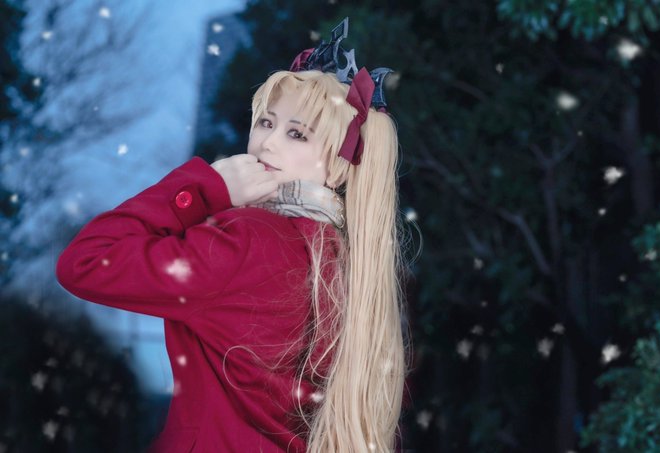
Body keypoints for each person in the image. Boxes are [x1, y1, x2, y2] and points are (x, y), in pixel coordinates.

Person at [56, 18, 409, 452]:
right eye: (265, 122)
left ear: (337, 169)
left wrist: (204, 190)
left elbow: (87, 261)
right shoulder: (356, 269)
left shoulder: (245, 240)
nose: (267, 143)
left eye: (296, 133)